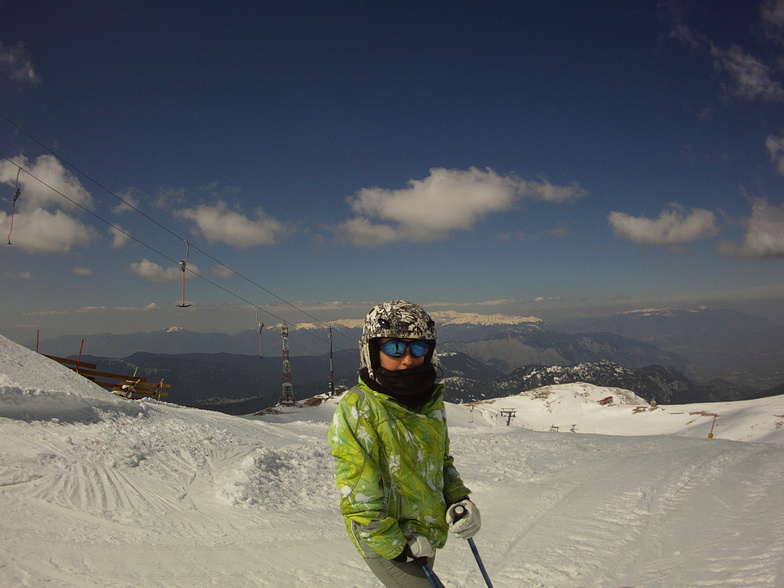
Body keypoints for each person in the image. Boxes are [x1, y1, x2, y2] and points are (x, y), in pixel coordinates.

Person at [327, 300, 481, 587]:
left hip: (424, 532)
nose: (408, 359)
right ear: (373, 351)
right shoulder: (359, 408)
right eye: (395, 347)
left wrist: (458, 499)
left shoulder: (430, 404)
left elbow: (441, 463)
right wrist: (396, 546)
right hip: (387, 540)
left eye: (418, 347)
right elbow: (359, 491)